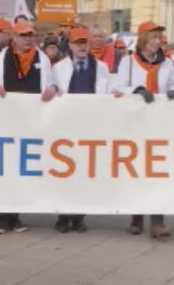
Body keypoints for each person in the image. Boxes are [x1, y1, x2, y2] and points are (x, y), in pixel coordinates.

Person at [0, 20, 57, 234]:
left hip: (30, 122)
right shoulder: (0, 59)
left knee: (22, 170)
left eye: (30, 35)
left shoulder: (42, 59)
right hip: (6, 121)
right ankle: (1, 216)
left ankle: (15, 215)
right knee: (4, 168)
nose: (27, 39)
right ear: (13, 37)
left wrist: (52, 89)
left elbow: (50, 85)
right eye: (23, 35)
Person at [111, 21, 174, 238]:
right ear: (143, 39)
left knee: (157, 171)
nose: (157, 41)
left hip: (159, 122)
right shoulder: (128, 62)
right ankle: (136, 218)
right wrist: (137, 89)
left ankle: (158, 221)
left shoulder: (168, 63)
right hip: (136, 122)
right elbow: (116, 87)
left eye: (159, 37)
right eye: (153, 37)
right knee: (136, 169)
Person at [51, 27, 110, 233]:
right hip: (66, 127)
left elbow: (109, 93)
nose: (82, 46)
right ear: (70, 46)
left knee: (84, 173)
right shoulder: (58, 68)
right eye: (78, 43)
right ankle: (63, 215)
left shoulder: (101, 68)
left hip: (89, 127)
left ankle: (79, 216)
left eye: (85, 42)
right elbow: (52, 89)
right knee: (64, 172)